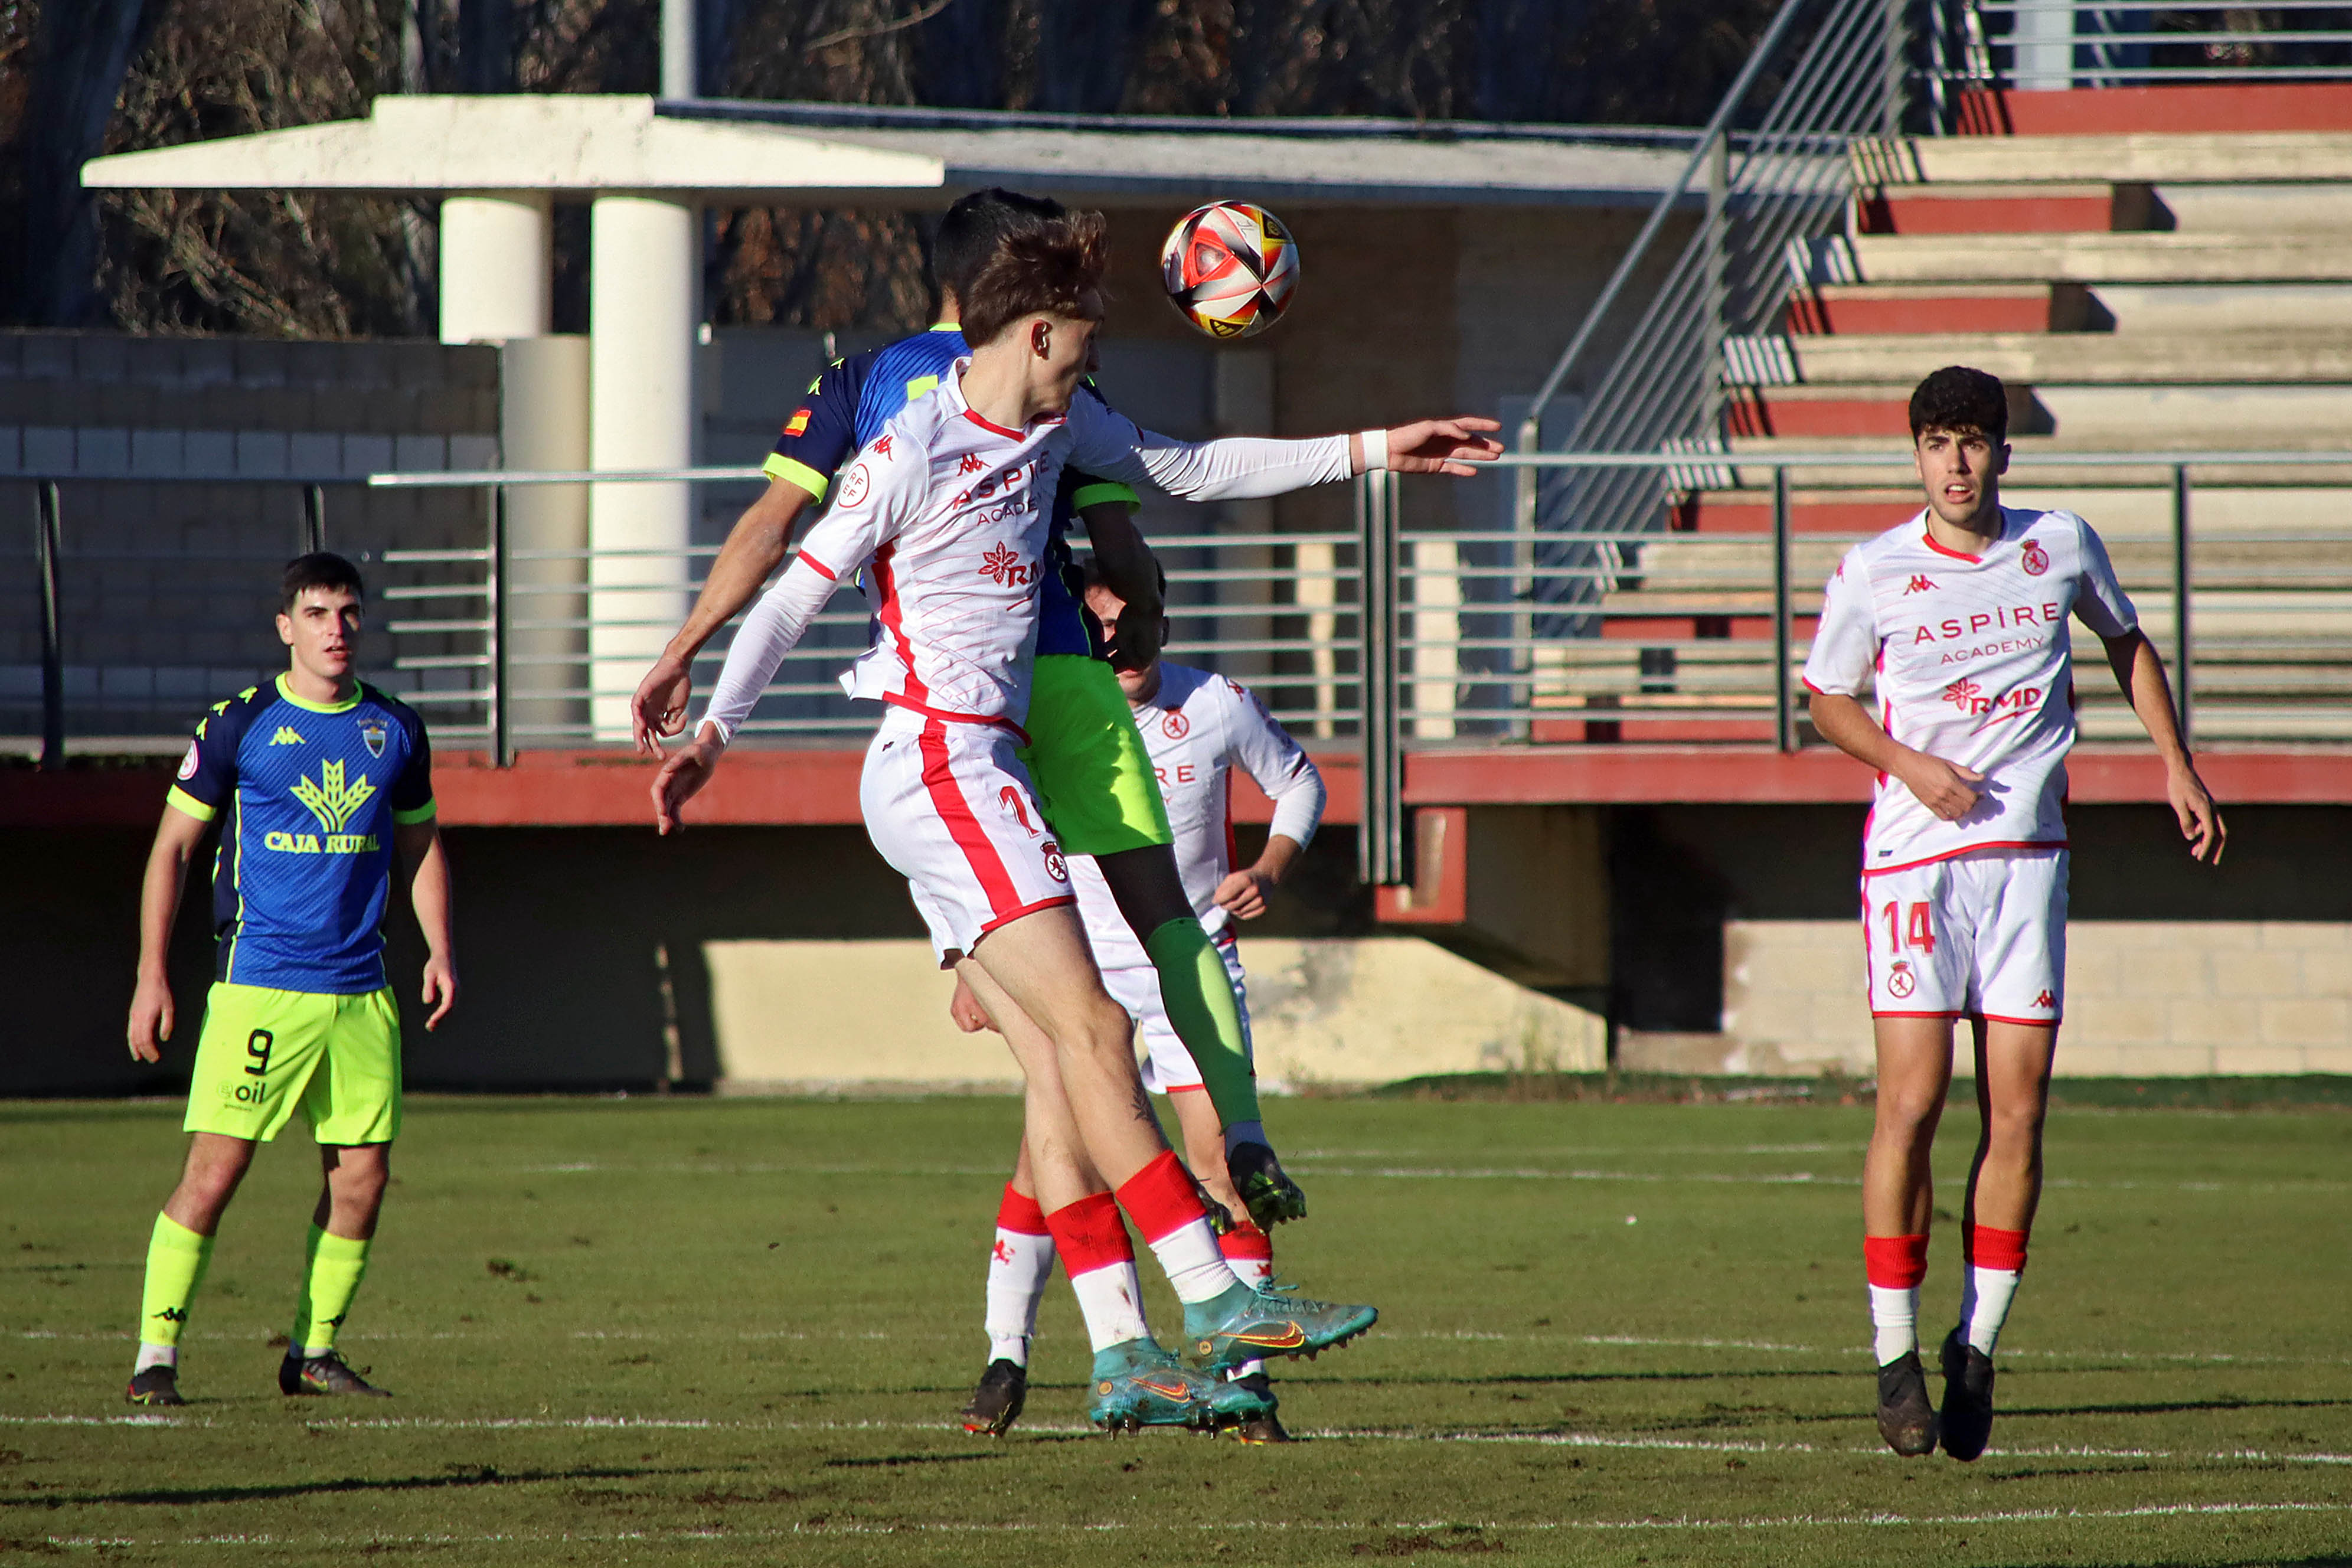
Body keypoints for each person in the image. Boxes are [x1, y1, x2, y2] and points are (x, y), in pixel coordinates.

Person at [651, 210, 1500, 1430]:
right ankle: (1211, 1299)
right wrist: (716, 734)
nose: (1085, 383)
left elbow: (1199, 468)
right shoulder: (909, 438)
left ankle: (1122, 1352)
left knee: (1066, 1051)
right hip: (941, 760)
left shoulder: (1059, 425)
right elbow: (793, 594)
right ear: (1034, 328)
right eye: (1076, 353)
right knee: (1102, 1022)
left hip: (974, 764)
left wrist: (1377, 448)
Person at [634, 188, 1306, 1231]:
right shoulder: (1055, 379)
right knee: (1154, 948)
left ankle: (1088, 1337)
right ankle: (1235, 1180)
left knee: (1057, 1054)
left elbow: (774, 538)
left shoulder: (861, 381)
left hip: (939, 718)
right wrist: (1139, 614)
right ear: (1028, 289)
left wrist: (687, 662)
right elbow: (1132, 535)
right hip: (1059, 696)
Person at [1803, 366, 2223, 1461]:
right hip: (1914, 868)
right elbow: (1827, 698)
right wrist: (1908, 763)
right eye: (1938, 442)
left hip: (2029, 865)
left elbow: (2126, 640)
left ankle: (1976, 1347)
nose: (1956, 462)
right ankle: (1894, 1357)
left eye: (1974, 442)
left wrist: (2175, 762)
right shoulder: (1874, 570)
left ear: (2002, 452)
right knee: (1913, 1102)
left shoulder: (2061, 545)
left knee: (2022, 1112)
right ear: (1914, 454)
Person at [953, 564, 1326, 1441]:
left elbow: (1300, 781)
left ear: (1165, 618)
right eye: (1102, 624)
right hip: (1077, 978)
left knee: (1227, 1171)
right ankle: (1009, 1353)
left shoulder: (1218, 703)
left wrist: (1269, 867)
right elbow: (965, 830)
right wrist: (967, 965)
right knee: (1047, 1169)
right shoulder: (1040, 712)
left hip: (1190, 970)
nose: (1119, 639)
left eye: (1137, 619)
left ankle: (1246, 1386)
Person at [123, 553, 455, 1406]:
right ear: (286, 627)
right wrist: (150, 976)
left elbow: (418, 846)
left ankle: (312, 1353)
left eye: (347, 613)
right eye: (316, 614)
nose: (335, 630)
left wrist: (440, 950)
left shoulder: (395, 729)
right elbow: (172, 851)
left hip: (361, 991)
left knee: (362, 1180)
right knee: (215, 1173)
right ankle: (155, 1358)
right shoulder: (241, 726)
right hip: (263, 986)